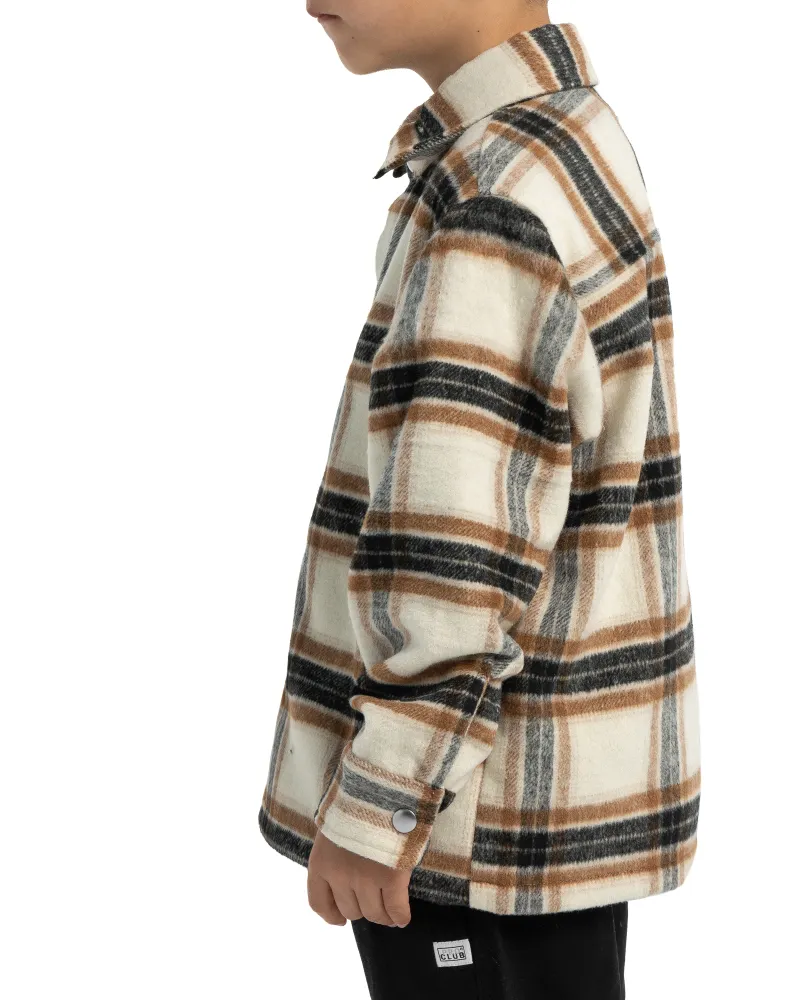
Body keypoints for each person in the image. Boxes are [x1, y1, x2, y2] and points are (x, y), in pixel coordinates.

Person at [258, 3, 701, 997]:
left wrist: (382, 806)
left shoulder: (493, 197)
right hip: (529, 810)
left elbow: (456, 553)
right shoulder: (567, 133)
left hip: (466, 830)